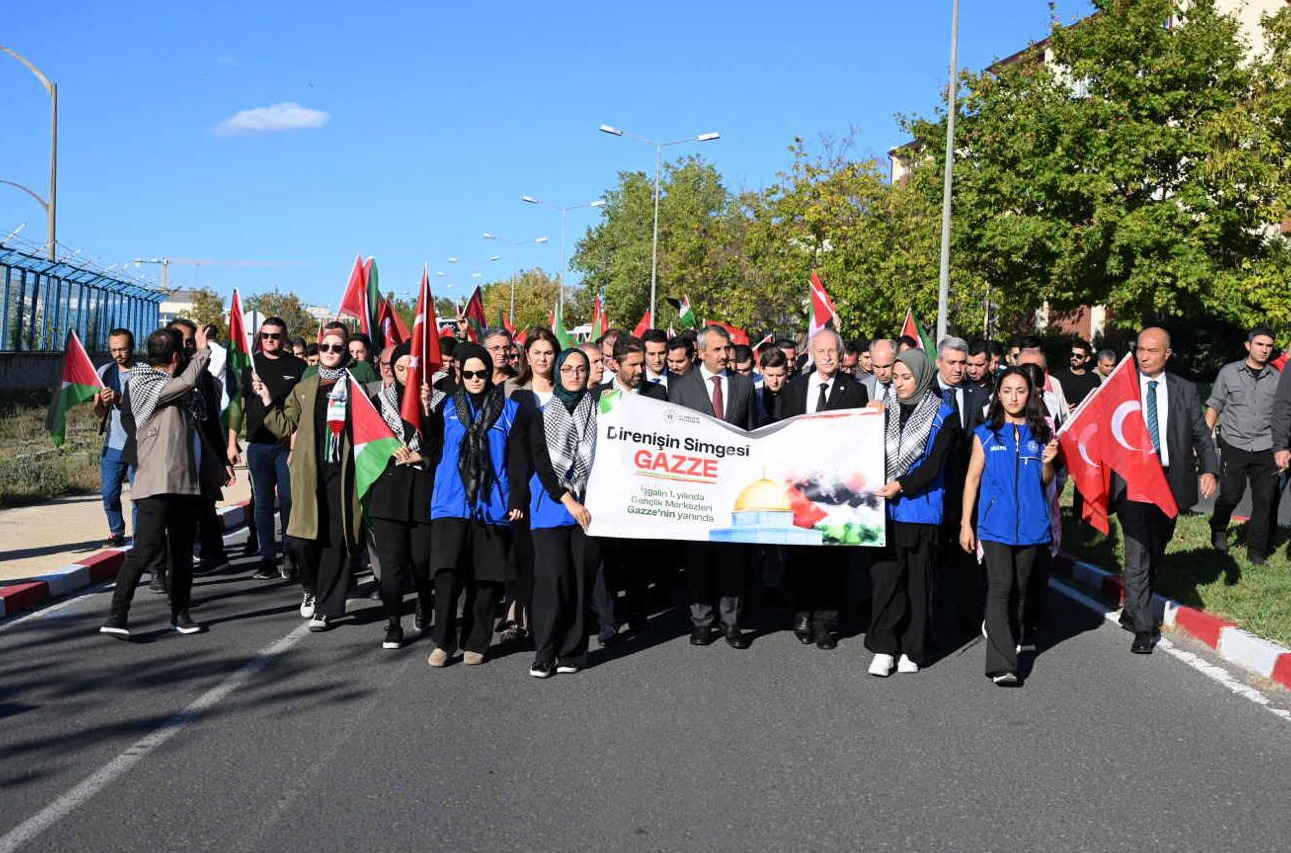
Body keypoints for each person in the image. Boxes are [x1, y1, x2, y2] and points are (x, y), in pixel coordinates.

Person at [99, 326, 228, 638]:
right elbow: (183, 383)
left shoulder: (179, 386)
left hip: (186, 483)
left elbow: (200, 418)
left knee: (182, 554)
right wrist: (202, 350)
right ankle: (117, 615)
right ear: (175, 356)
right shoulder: (143, 382)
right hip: (155, 482)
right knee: (144, 548)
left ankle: (180, 614)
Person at [1114, 327, 1218, 654]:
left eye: (1152, 351)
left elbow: (1201, 435)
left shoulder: (1184, 389)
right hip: (1132, 479)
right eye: (1140, 350)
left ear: (1167, 354)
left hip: (1170, 480)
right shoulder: (1122, 387)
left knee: (1156, 549)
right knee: (1137, 551)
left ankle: (1133, 609)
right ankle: (1145, 629)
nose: (1144, 356)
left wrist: (1211, 469)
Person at [255, 323, 363, 632]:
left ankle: (326, 608)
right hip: (309, 473)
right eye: (325, 347)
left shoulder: (357, 390)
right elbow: (283, 426)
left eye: (337, 348)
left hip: (343, 475)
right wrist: (265, 398)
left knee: (335, 540)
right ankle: (311, 587)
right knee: (301, 540)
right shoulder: (305, 388)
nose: (330, 352)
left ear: (345, 353)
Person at [426, 343, 525, 668]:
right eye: (468, 374)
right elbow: (431, 446)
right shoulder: (445, 408)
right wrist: (424, 409)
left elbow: (515, 460)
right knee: (446, 578)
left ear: (489, 374)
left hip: (492, 505)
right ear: (460, 374)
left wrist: (514, 499)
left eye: (481, 373)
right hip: (451, 505)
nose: (475, 379)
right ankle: (443, 641)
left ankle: (476, 641)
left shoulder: (509, 410)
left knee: (485, 580)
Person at [959, 367, 1058, 685]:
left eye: (1020, 390)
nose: (1014, 397)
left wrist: (1048, 462)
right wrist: (966, 523)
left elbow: (1046, 482)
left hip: (1032, 525)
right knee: (1001, 585)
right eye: (1007, 390)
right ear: (998, 394)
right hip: (995, 524)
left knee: (1021, 588)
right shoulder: (986, 432)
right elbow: (972, 479)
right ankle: (1001, 664)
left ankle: (1009, 635)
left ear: (1030, 395)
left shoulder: (1042, 431)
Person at [866, 349, 959, 676]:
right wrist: (868, 417)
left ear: (922, 377)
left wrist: (902, 485)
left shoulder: (944, 413)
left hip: (920, 509)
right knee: (886, 580)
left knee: (919, 582)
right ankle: (883, 646)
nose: (900, 383)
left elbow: (935, 464)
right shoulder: (883, 410)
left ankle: (912, 648)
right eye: (897, 376)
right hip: (884, 510)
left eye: (908, 377)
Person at [512, 347, 601, 677]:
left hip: (591, 509)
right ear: (559, 373)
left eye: (581, 369)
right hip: (552, 507)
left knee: (579, 582)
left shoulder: (600, 412)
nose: (575, 375)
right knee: (552, 581)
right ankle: (544, 653)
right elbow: (543, 464)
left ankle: (573, 653)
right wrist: (569, 500)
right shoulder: (542, 414)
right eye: (568, 369)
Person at [668, 325, 759, 649]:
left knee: (732, 559)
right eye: (718, 349)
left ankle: (732, 623)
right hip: (697, 487)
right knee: (699, 559)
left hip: (734, 488)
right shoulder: (681, 388)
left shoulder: (745, 386)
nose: (724, 354)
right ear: (701, 352)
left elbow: (754, 433)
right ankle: (702, 621)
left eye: (727, 348)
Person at [780, 330, 869, 649]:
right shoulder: (795, 388)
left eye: (833, 350)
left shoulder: (856, 391)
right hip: (800, 485)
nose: (828, 356)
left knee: (833, 558)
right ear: (811, 353)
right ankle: (802, 613)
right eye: (822, 350)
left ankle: (827, 624)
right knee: (801, 554)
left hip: (837, 487)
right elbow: (782, 431)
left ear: (841, 354)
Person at [366, 341, 437, 649]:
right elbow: (365, 444)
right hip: (388, 493)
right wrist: (387, 449)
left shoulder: (438, 402)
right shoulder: (377, 403)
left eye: (412, 367)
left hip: (424, 492)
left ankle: (424, 600)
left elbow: (444, 447)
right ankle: (393, 622)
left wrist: (425, 412)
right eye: (399, 368)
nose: (406, 373)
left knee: (422, 561)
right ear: (391, 371)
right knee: (392, 564)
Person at [232, 317, 305, 580]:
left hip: (286, 446)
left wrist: (296, 447)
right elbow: (237, 406)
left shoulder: (297, 366)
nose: (270, 339)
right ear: (259, 337)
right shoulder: (250, 366)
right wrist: (232, 442)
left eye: (275, 335)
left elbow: (301, 412)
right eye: (265, 335)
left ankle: (290, 553)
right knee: (262, 503)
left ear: (284, 336)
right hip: (258, 445)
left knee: (288, 500)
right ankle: (266, 558)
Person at [501, 329, 560, 644]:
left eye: (548, 353)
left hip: (558, 483)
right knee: (521, 553)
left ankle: (548, 619)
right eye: (536, 353)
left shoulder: (565, 389)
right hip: (525, 481)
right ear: (527, 356)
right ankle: (515, 618)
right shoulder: (514, 391)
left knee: (549, 556)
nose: (542, 359)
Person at [1206, 326, 1279, 565]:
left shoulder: (1277, 378)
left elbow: (1283, 414)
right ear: (1248, 346)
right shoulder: (1229, 373)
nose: (1264, 350)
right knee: (1230, 494)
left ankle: (1256, 550)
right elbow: (1214, 406)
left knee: (1264, 500)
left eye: (1269, 346)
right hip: (1234, 444)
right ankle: (1218, 526)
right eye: (1259, 344)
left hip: (1266, 446)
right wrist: (1203, 441)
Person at [934, 336, 989, 641]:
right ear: (939, 362)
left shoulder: (979, 395)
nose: (958, 369)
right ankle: (934, 614)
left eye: (962, 363)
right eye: (952, 362)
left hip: (968, 488)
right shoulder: (926, 394)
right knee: (934, 557)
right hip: (931, 488)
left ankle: (967, 616)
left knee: (966, 559)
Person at [169, 318, 233, 579]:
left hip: (200, 452)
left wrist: (221, 457)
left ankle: (214, 553)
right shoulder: (159, 375)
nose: (186, 347)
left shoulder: (203, 377)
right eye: (181, 342)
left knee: (205, 504)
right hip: (171, 457)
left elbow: (211, 421)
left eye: (189, 342)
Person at [94, 328, 136, 547]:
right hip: (113, 444)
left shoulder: (142, 373)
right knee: (109, 492)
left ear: (132, 347)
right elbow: (99, 412)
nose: (118, 354)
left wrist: (120, 399)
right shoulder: (105, 372)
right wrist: (101, 401)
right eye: (113, 349)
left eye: (122, 349)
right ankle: (116, 531)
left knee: (139, 496)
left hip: (138, 444)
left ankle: (140, 537)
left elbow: (144, 408)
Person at [1059, 339, 1101, 409]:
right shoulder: (1059, 376)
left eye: (1079, 356)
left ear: (1087, 359)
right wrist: (1064, 407)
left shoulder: (1094, 378)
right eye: (1072, 355)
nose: (1074, 358)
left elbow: (1098, 401)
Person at [756, 347, 789, 426]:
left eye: (779, 375)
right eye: (770, 375)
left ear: (787, 371)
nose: (775, 381)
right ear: (762, 370)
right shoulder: (753, 395)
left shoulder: (798, 394)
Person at [862, 339, 897, 406]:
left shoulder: (908, 386)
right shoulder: (862, 387)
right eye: (877, 367)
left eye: (886, 366)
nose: (881, 373)